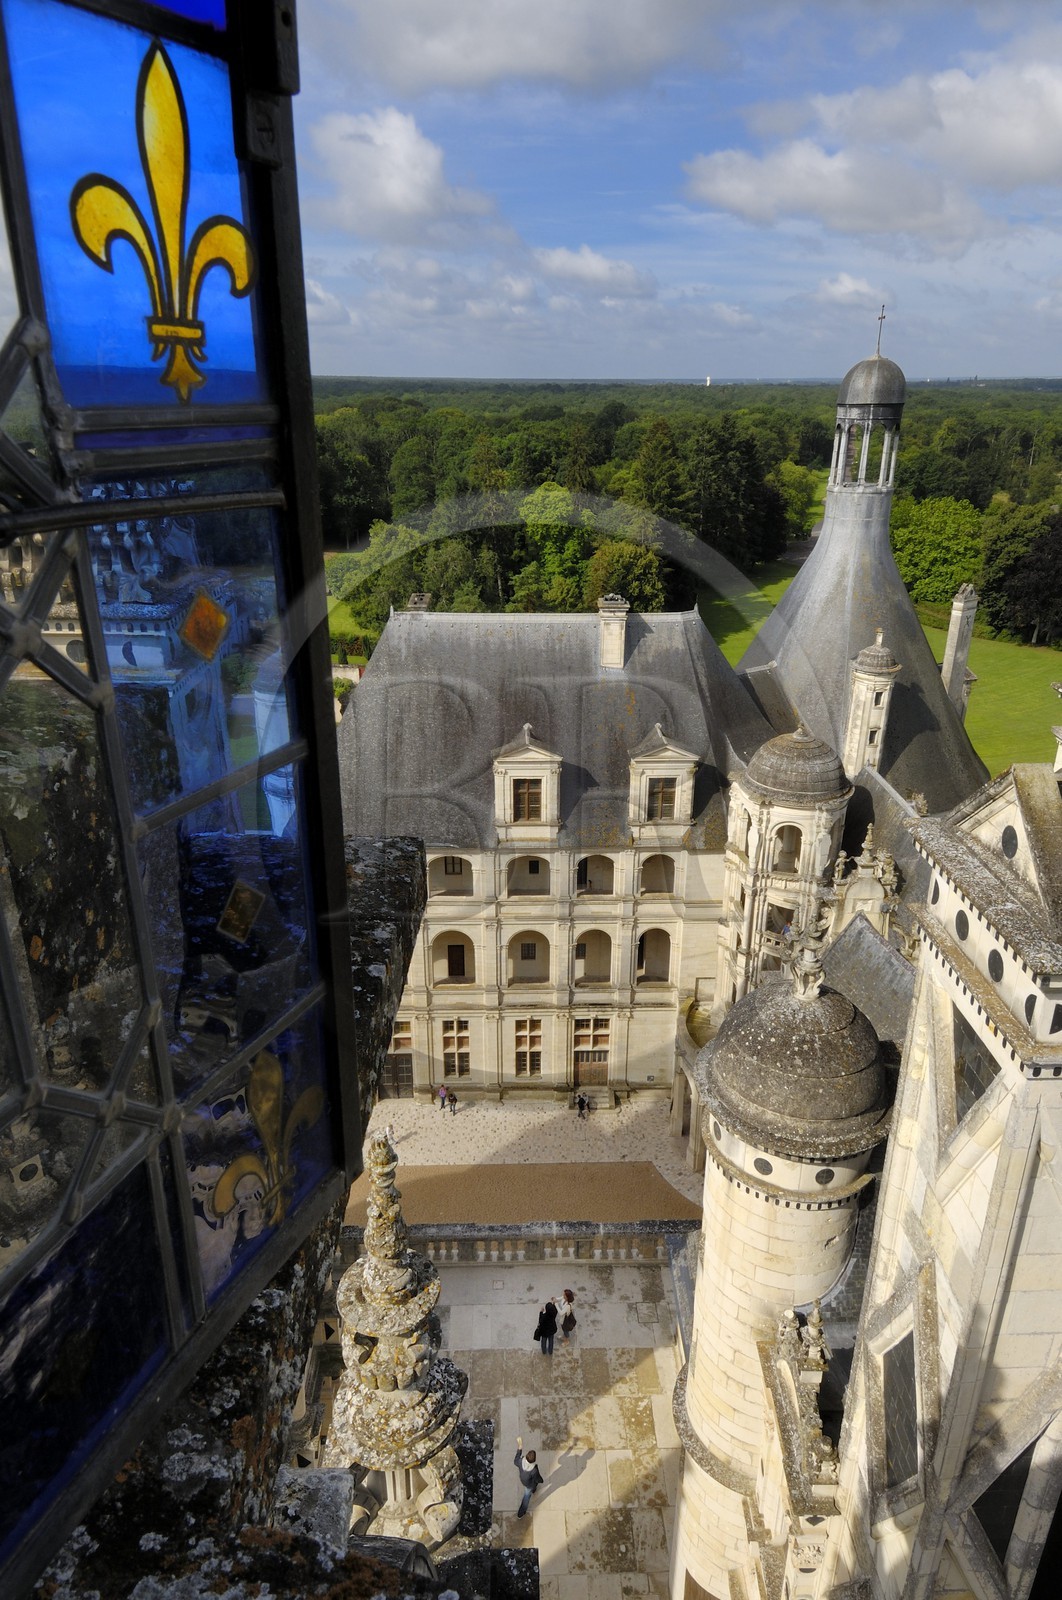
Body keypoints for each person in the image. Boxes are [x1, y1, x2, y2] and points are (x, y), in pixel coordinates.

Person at [514, 1436, 543, 1517]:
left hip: (523, 1479)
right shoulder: (534, 1470)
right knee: (527, 1496)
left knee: (532, 1487)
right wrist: (541, 1480)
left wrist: (519, 1449)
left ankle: (533, 1490)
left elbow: (515, 1460)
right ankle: (521, 1512)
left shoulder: (520, 1461)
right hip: (529, 1484)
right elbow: (537, 1478)